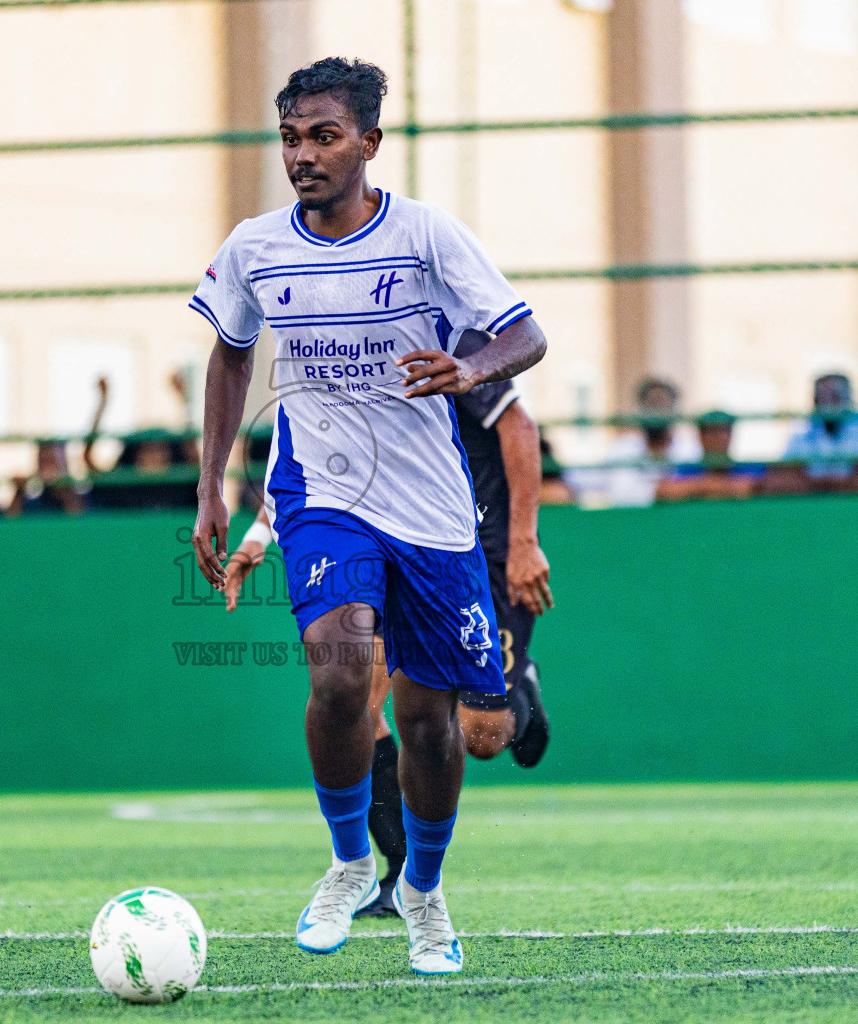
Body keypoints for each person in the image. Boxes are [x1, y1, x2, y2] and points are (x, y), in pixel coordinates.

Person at [189, 57, 547, 974]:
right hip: (327, 500)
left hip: (432, 513)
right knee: (344, 673)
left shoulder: (429, 235)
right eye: (290, 138)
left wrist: (470, 369)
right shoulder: (256, 247)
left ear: (369, 143)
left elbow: (527, 335)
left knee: (438, 726)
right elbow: (231, 358)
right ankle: (350, 861)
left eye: (323, 136)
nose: (302, 155)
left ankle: (422, 890)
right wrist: (214, 491)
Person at [224, 328, 556, 916]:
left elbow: (519, 426)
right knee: (359, 692)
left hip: (472, 544)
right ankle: (398, 872)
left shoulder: (443, 334)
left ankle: (517, 682)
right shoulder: (336, 348)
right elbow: (307, 454)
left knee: (482, 737)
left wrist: (525, 541)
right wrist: (258, 536)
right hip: (385, 539)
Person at [566, 377, 701, 508]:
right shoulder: (623, 449)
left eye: (662, 404)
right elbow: (585, 478)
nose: (656, 412)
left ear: (674, 409)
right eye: (651, 404)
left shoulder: (691, 451)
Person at [766, 373, 858, 496]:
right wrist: (840, 484)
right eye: (820, 397)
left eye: (835, 396)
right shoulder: (804, 431)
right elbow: (781, 481)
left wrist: (808, 485)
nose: (828, 403)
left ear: (850, 398)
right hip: (816, 513)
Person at [656, 411, 762, 502]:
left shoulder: (745, 466)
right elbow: (664, 490)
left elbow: (755, 485)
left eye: (722, 431)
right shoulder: (688, 467)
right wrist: (705, 485)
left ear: (730, 435)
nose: (717, 438)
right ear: (700, 436)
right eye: (710, 432)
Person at [10, 439, 83, 516]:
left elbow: (77, 514)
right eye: (42, 461)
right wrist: (19, 491)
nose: (46, 467)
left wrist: (62, 487)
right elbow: (11, 519)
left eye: (51, 461)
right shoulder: (33, 500)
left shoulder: (76, 493)